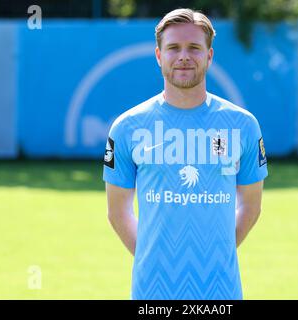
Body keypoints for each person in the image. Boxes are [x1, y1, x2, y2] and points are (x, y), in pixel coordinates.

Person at [103, 8, 268, 300]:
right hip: (152, 294)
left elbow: (251, 207)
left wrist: (218, 256)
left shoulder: (243, 125)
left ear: (209, 56)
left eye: (194, 47)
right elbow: (117, 212)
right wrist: (152, 261)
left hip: (221, 293)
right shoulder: (127, 127)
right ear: (158, 56)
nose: (183, 56)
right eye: (173, 48)